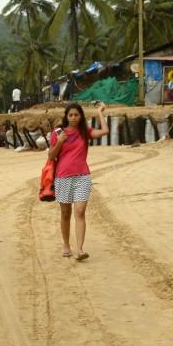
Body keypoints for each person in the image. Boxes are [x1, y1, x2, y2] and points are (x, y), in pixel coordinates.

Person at [48, 102, 109, 261]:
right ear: (66, 116)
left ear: (81, 116)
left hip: (82, 177)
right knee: (65, 213)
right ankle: (66, 245)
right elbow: (50, 156)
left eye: (76, 115)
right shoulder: (58, 132)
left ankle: (80, 249)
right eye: (71, 115)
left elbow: (105, 131)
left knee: (80, 212)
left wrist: (99, 112)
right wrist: (60, 141)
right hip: (62, 177)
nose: (74, 118)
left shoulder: (84, 132)